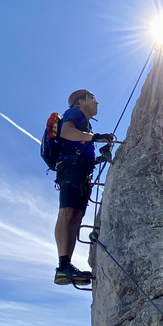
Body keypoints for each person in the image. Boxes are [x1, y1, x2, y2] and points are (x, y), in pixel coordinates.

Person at [54, 89, 113, 285]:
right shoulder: (75, 113)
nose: (97, 102)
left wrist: (100, 158)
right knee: (68, 212)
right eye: (93, 98)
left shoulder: (84, 126)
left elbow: (83, 152)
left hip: (80, 169)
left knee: (76, 216)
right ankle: (63, 265)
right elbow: (66, 132)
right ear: (82, 101)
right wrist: (95, 138)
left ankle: (66, 267)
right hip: (70, 168)